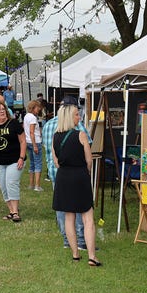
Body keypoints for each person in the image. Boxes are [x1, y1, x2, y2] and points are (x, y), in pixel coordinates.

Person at [52, 102, 101, 266]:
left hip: (63, 177)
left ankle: (75, 254)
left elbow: (56, 162)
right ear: (68, 117)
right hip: (79, 176)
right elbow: (89, 161)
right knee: (88, 218)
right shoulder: (81, 135)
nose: (79, 117)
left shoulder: (55, 137)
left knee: (69, 217)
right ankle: (92, 256)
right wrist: (83, 171)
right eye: (76, 114)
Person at [43, 95, 91, 250]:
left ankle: (66, 240)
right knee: (79, 209)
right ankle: (81, 241)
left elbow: (49, 151)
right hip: (77, 173)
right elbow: (87, 151)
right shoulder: (78, 129)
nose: (78, 115)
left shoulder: (48, 126)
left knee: (62, 209)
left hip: (58, 172)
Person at [24, 100, 44, 192]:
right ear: (33, 108)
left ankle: (31, 184)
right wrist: (35, 145)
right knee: (38, 163)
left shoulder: (26, 116)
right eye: (37, 107)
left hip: (28, 141)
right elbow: (32, 132)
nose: (39, 109)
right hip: (35, 142)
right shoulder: (32, 118)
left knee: (32, 163)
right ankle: (37, 185)